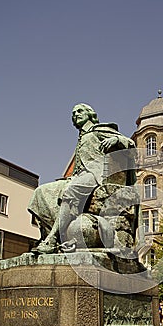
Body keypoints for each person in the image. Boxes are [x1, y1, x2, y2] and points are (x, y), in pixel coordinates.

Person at [28, 103, 136, 253]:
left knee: (70, 192)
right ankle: (46, 236)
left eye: (80, 111)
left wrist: (117, 141)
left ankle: (52, 240)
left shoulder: (99, 130)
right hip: (78, 176)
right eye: (73, 113)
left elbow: (131, 143)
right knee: (40, 192)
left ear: (90, 114)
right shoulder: (82, 137)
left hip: (95, 174)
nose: (76, 114)